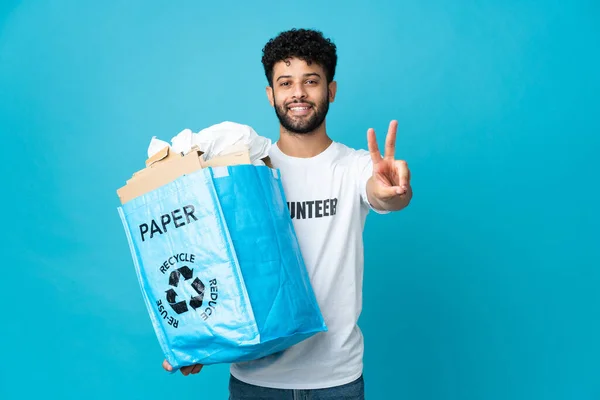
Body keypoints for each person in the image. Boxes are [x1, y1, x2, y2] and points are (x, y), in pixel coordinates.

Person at [162, 28, 413, 399]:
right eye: (285, 83)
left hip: (337, 381)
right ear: (271, 95)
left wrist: (392, 190)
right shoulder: (245, 167)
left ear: (331, 90)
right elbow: (208, 255)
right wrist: (197, 336)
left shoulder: (355, 167)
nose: (298, 93)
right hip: (256, 381)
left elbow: (384, 196)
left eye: (311, 81)